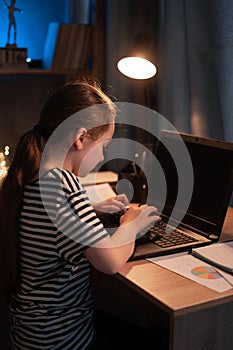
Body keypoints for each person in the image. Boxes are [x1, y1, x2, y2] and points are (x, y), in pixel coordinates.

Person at [0, 78, 159, 349]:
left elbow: (52, 223)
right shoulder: (64, 186)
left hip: (30, 333)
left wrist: (90, 209)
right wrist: (131, 223)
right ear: (81, 138)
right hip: (62, 339)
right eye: (104, 145)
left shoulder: (35, 174)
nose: (101, 157)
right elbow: (109, 263)